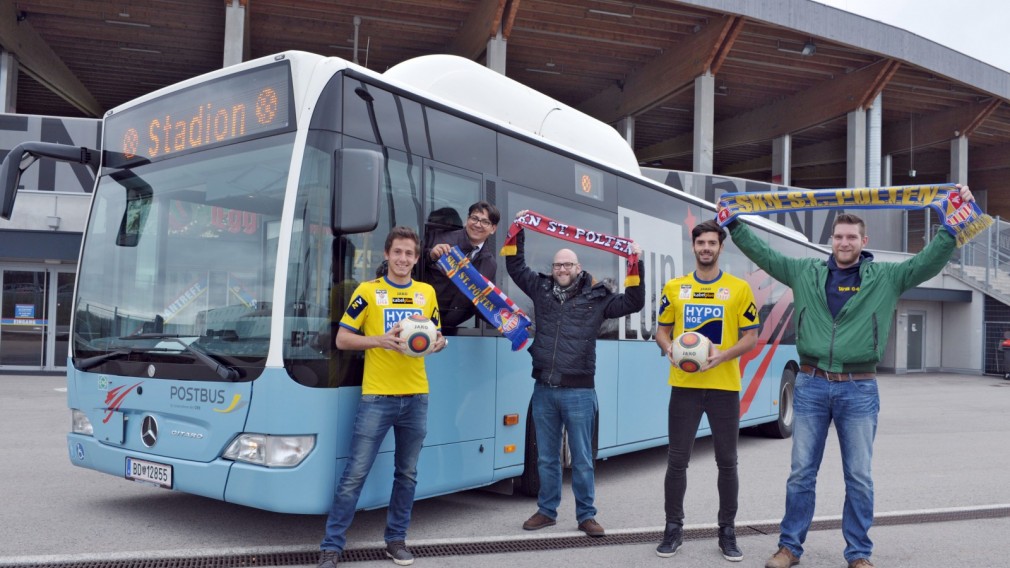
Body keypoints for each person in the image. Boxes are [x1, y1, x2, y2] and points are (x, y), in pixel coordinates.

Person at [726, 185, 975, 568]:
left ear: (863, 241)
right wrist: (735, 226)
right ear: (831, 240)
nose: (844, 242)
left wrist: (947, 232)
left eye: (851, 237)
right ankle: (789, 547)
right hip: (809, 385)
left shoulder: (886, 278)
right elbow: (766, 254)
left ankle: (858, 553)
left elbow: (925, 264)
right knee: (800, 475)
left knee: (858, 477)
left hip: (858, 388)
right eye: (839, 237)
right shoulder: (804, 271)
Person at [506, 210, 645, 538]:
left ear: (578, 268)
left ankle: (586, 515)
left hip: (580, 392)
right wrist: (519, 231)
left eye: (567, 264)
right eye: (557, 265)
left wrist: (636, 263)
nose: (562, 269)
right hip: (543, 388)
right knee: (546, 458)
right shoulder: (540, 290)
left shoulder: (599, 297)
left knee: (582, 458)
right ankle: (547, 510)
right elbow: (515, 266)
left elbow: (635, 302)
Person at [318, 226, 447, 568]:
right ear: (387, 255)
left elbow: (437, 337)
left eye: (409, 253)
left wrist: (439, 343)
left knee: (407, 474)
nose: (403, 258)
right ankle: (332, 546)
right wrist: (379, 340)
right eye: (398, 252)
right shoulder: (368, 292)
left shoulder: (426, 293)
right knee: (355, 473)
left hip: (416, 396)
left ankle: (396, 540)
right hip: (377, 397)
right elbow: (343, 340)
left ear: (416, 259)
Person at [654, 219, 760, 562]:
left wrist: (723, 355)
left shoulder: (739, 289)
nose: (706, 248)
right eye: (701, 243)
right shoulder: (674, 287)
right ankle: (673, 529)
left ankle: (727, 533)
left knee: (727, 463)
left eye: (712, 243)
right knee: (676, 461)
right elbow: (662, 330)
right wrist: (670, 350)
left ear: (720, 247)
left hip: (724, 387)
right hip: (684, 387)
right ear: (693, 245)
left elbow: (752, 336)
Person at [425, 201, 501, 328]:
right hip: (422, 320)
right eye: (474, 218)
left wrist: (508, 323)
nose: (478, 224)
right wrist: (430, 255)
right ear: (467, 219)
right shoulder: (441, 238)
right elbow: (412, 263)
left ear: (493, 229)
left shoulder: (490, 264)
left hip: (452, 330)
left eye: (485, 222)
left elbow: (483, 304)